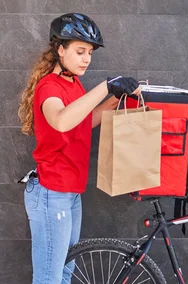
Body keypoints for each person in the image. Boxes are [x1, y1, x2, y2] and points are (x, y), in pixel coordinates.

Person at [17, 13, 142, 284]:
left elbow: (84, 121)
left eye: (90, 53)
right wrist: (105, 86)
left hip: (70, 192)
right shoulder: (49, 87)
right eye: (80, 51)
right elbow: (61, 121)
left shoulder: (73, 83)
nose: (86, 58)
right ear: (60, 50)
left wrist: (115, 99)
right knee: (49, 278)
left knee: (64, 273)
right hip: (52, 193)